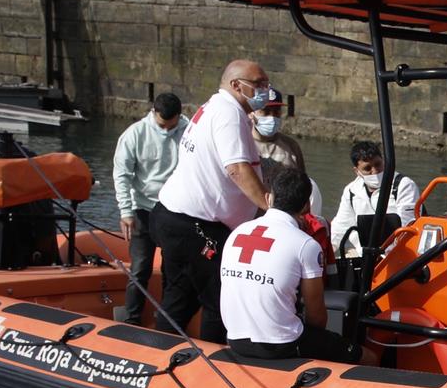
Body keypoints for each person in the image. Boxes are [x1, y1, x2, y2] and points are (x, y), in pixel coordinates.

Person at [150, 59, 279, 342]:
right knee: (220, 300)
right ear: (236, 85)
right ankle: (215, 361)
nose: (266, 91)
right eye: (259, 85)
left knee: (180, 295)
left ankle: (161, 347)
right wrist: (272, 211)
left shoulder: (215, 108)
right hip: (197, 224)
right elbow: (236, 168)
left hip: (180, 218)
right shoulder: (228, 113)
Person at [220, 167, 350, 362]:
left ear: (268, 198)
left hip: (235, 338)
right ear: (306, 206)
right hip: (281, 344)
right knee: (367, 357)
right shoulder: (306, 244)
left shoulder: (237, 232)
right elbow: (316, 316)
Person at [111, 92, 186, 325]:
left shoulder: (189, 131)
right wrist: (126, 211)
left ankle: (166, 319)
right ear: (153, 113)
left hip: (174, 209)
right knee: (140, 268)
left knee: (172, 269)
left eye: (172, 126)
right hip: (143, 208)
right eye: (163, 125)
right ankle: (132, 317)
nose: (166, 131)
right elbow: (122, 174)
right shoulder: (135, 134)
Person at [330, 139, 421, 260]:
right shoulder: (351, 191)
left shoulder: (403, 185)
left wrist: (384, 254)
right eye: (367, 168)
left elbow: (408, 226)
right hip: (364, 255)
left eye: (378, 164)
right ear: (357, 171)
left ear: (384, 160)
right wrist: (328, 250)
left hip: (399, 255)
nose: (375, 171)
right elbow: (340, 226)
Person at [249, 87, 317, 216]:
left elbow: (302, 185)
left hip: (285, 217)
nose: (272, 117)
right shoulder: (243, 144)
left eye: (276, 112)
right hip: (250, 217)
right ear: (252, 113)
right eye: (266, 111)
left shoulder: (291, 146)